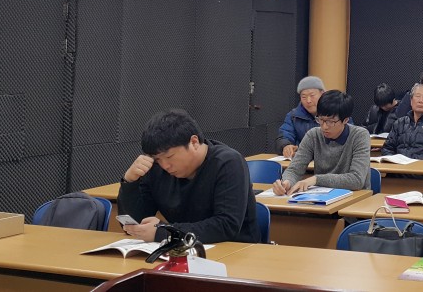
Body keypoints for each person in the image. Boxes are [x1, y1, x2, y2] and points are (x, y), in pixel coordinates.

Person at [117, 109, 259, 243]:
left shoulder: (227, 163)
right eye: (158, 159)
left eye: (169, 156)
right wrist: (129, 181)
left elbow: (226, 226)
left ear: (194, 142)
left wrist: (165, 232)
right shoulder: (157, 167)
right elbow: (135, 223)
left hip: (234, 250)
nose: (165, 166)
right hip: (181, 249)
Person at [273, 90, 370, 195]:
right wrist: (286, 182)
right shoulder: (313, 135)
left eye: (330, 122)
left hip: (355, 197)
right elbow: (294, 170)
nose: (324, 126)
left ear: (345, 120)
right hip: (322, 197)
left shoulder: (359, 135)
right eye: (320, 120)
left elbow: (356, 179)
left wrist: (316, 179)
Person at [275, 76, 325, 158]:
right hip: (302, 162)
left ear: (322, 94)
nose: (308, 101)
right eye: (304, 97)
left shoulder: (335, 114)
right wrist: (286, 146)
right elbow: (284, 135)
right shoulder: (293, 116)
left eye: (312, 95)